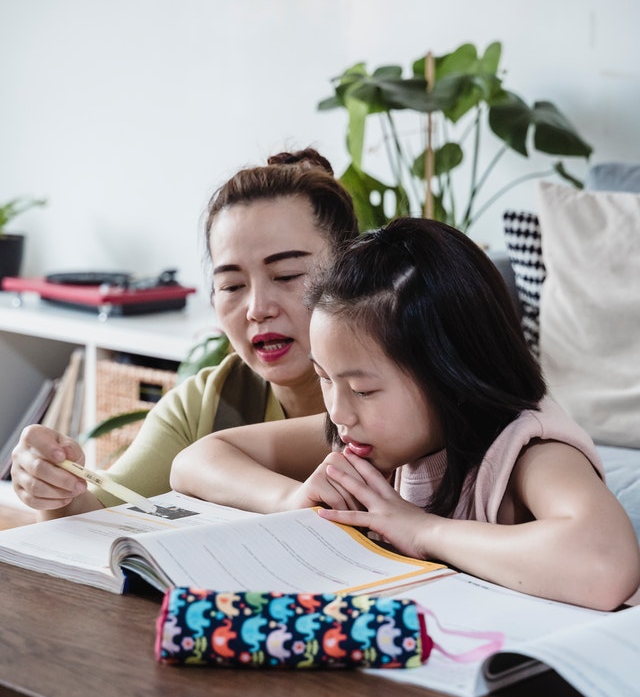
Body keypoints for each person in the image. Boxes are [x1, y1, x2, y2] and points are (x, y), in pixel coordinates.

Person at [170, 217, 640, 611]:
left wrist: (422, 529)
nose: (338, 411)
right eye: (325, 378)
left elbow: (604, 565)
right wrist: (290, 502)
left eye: (363, 388)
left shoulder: (529, 448)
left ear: (452, 374)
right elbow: (197, 460)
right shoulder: (366, 435)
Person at [10, 148, 359, 518]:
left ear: (352, 273)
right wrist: (55, 485)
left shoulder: (405, 396)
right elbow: (96, 515)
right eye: (232, 286)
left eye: (287, 276)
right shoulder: (204, 406)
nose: (258, 309)